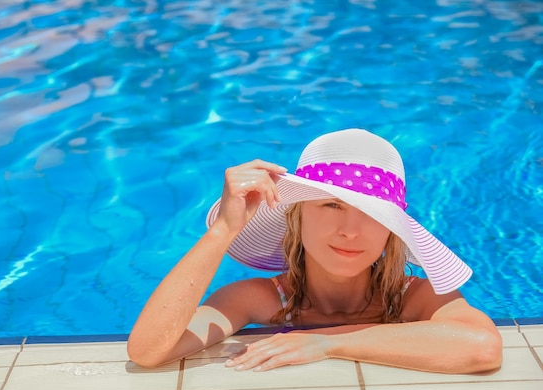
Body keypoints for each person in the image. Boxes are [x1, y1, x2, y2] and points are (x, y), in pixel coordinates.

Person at [127, 128, 503, 373]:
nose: (350, 232)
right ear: (297, 217)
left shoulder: (414, 296)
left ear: (391, 231)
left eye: (372, 216)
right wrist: (225, 229)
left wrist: (327, 343)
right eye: (331, 206)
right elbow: (148, 350)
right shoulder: (258, 299)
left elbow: (483, 347)